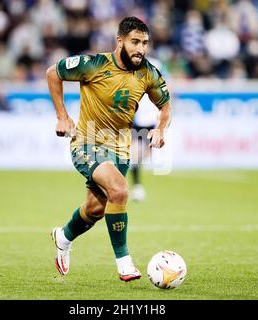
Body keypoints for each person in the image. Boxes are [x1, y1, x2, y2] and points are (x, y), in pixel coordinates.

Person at [45, 16, 172, 282]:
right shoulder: (94, 64)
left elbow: (165, 105)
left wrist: (160, 129)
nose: (141, 49)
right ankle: (124, 261)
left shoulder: (148, 72)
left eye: (145, 43)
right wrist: (62, 116)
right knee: (120, 190)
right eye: (135, 42)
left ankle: (63, 237)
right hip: (87, 142)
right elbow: (52, 73)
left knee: (95, 210)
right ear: (120, 41)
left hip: (120, 149)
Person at [130, 56, 166, 202]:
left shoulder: (156, 64)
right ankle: (137, 187)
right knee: (134, 154)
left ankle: (136, 186)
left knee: (144, 154)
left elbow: (167, 86)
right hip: (135, 118)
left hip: (152, 119)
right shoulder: (128, 65)